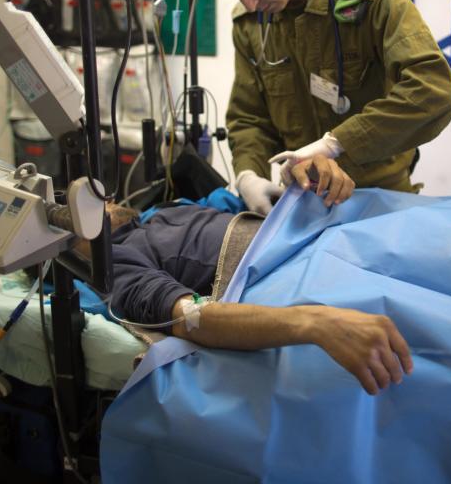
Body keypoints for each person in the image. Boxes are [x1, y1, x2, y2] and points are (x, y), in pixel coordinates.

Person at [199, 0, 451, 215]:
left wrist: (337, 144)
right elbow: (249, 118)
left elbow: (433, 92)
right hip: (302, 206)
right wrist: (246, 174)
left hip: (378, 204)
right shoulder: (252, 25)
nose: (249, 3)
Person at [95, 156, 409, 395]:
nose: (106, 199)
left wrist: (301, 176)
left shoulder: (163, 212)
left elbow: (237, 198)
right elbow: (190, 318)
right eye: (91, 205)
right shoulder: (115, 263)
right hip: (292, 275)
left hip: (318, 235)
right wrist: (313, 322)